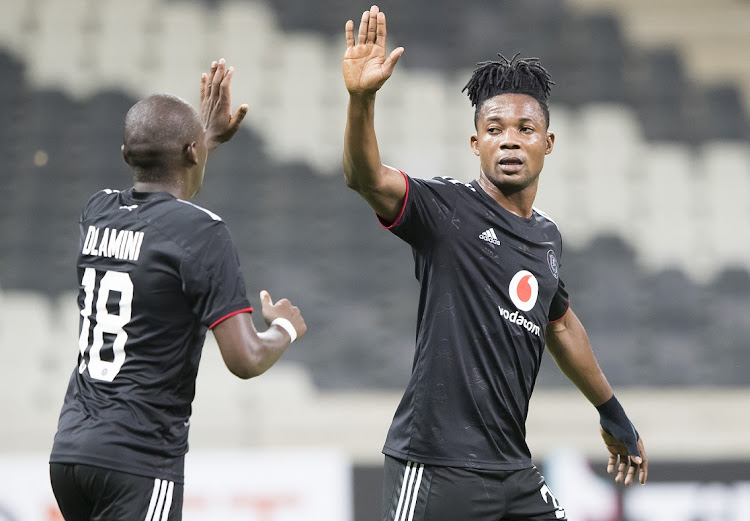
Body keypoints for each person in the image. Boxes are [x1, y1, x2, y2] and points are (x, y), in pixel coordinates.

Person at [342, 6, 648, 521]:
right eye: (495, 127)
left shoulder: (546, 236)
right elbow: (365, 178)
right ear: (476, 142)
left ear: (547, 144)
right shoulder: (446, 210)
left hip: (512, 469)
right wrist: (361, 99)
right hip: (436, 466)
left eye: (525, 128)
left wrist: (611, 411)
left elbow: (562, 323)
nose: (510, 138)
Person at [49, 59, 306, 521]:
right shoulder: (203, 232)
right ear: (191, 153)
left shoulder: (96, 211)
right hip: (137, 461)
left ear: (127, 155)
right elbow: (245, 359)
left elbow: (156, 207)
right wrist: (284, 328)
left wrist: (197, 141)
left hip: (70, 455)